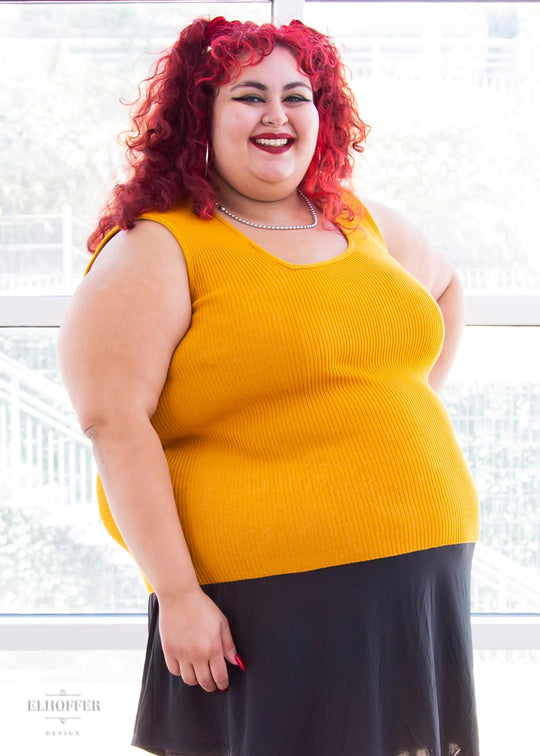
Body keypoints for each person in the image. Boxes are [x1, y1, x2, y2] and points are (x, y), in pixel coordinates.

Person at [58, 16, 480, 756]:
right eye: (249, 96)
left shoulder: (356, 220)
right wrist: (179, 597)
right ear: (200, 116)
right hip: (271, 597)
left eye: (298, 95)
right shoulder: (159, 245)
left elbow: (445, 289)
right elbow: (114, 424)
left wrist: (397, 417)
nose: (278, 115)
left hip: (419, 583)